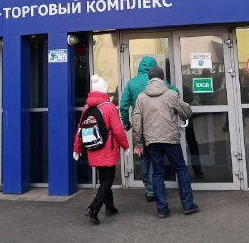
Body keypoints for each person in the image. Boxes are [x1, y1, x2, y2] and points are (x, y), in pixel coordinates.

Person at [132, 66, 198, 218]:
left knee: (157, 172)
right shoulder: (171, 94)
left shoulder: (141, 97)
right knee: (181, 169)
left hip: (151, 141)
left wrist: (139, 143)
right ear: (163, 78)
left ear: (149, 79)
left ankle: (162, 209)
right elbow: (186, 113)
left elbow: (136, 122)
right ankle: (188, 205)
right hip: (170, 139)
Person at [119, 57, 178, 202]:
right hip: (158, 125)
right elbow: (175, 92)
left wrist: (126, 123)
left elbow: (123, 106)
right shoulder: (159, 82)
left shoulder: (132, 83)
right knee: (156, 158)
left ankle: (149, 190)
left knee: (144, 157)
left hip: (140, 125)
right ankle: (156, 189)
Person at [73, 75, 129, 225]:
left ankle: (110, 207)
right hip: (108, 148)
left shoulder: (86, 108)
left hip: (93, 148)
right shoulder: (109, 107)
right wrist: (126, 146)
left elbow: (80, 130)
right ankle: (93, 208)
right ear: (104, 90)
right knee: (108, 180)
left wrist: (77, 149)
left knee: (104, 179)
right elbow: (118, 131)